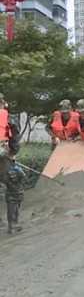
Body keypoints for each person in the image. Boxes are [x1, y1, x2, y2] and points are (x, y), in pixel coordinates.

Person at [0, 95, 25, 233]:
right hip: (3, 157)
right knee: (14, 189)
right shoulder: (8, 117)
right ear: (3, 104)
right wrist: (13, 153)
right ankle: (13, 225)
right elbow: (14, 136)